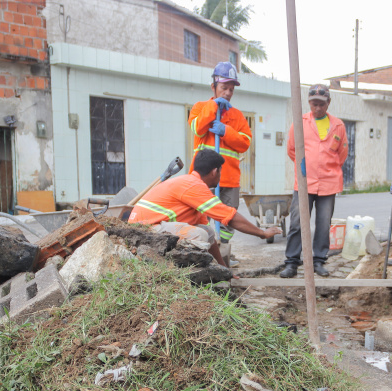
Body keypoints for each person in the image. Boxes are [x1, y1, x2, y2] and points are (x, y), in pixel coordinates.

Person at [128, 149, 279, 267]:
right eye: (221, 171)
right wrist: (262, 233)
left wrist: (222, 268)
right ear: (215, 171)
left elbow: (210, 236)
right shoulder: (194, 186)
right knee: (199, 236)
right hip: (143, 230)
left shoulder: (190, 185)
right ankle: (187, 275)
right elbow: (229, 217)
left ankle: (209, 271)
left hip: (149, 227)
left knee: (206, 231)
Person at [280, 84, 348, 278]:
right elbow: (292, 150)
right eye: (314, 104)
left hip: (329, 182)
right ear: (309, 103)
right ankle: (292, 262)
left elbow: (342, 153)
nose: (317, 108)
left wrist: (327, 166)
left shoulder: (338, 125)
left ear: (328, 103)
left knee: (323, 224)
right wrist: (306, 166)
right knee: (297, 223)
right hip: (304, 182)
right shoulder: (299, 123)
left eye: (321, 104)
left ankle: (319, 260)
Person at [188, 61, 252, 249]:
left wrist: (226, 131)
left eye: (231, 89)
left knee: (229, 216)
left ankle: (223, 248)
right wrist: (213, 107)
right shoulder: (200, 108)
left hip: (229, 178)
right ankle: (206, 249)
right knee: (201, 215)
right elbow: (198, 129)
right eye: (224, 88)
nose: (228, 93)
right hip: (204, 176)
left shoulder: (238, 116)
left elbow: (244, 143)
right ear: (213, 87)